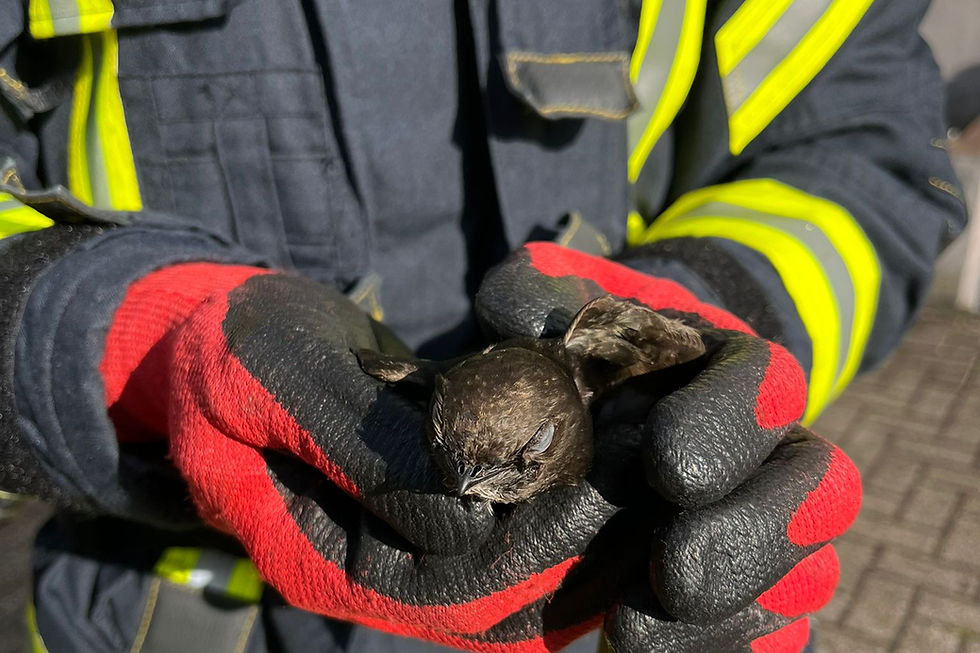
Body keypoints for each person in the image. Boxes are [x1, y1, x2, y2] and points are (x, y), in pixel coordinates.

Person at [0, 0, 964, 651]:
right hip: (169, 612)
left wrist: (703, 325)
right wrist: (117, 335)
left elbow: (859, 144)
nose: (471, 494)